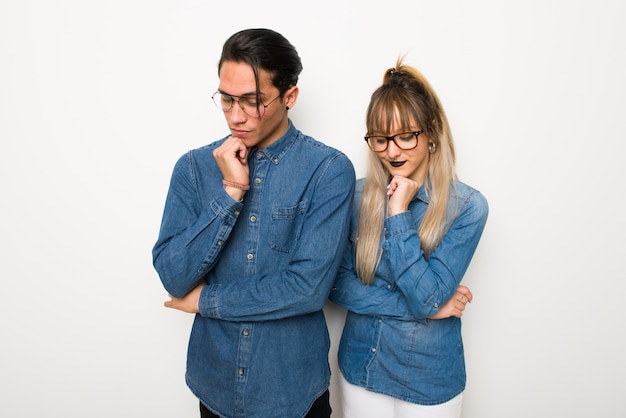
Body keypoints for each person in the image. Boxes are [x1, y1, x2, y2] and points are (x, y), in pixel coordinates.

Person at [152, 28, 355, 418]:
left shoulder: (328, 171)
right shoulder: (193, 169)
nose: (235, 115)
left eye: (252, 101)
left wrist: (206, 301)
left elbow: (307, 288)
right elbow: (174, 276)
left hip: (293, 391)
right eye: (226, 99)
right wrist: (230, 194)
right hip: (215, 384)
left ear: (290, 96)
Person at [329, 59, 489, 418]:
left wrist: (398, 212)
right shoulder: (354, 197)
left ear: (431, 133)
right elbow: (336, 286)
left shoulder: (468, 208)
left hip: (428, 376)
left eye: (405, 136)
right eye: (380, 139)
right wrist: (423, 310)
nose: (392, 151)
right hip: (361, 368)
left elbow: (427, 297)